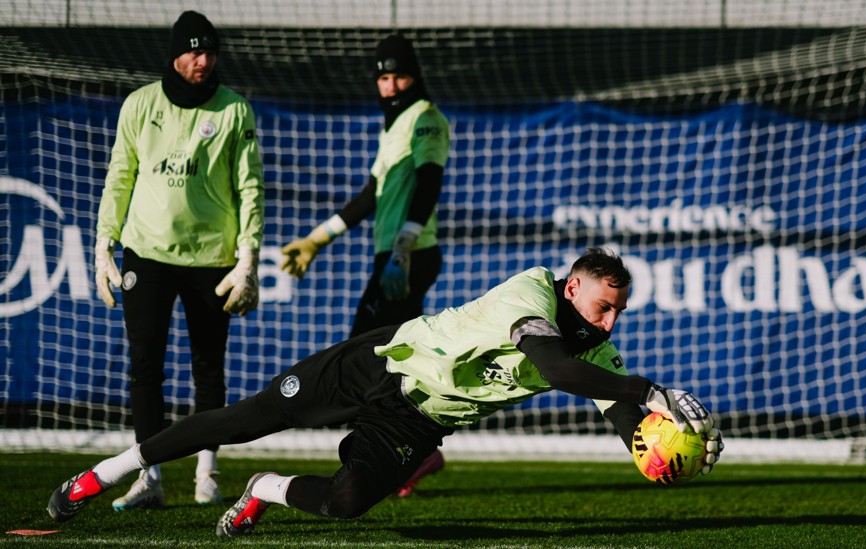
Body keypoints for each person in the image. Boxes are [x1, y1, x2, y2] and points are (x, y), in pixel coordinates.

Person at [49, 248, 723, 537]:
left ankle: (263, 488)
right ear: (575, 286)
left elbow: (617, 408)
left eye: (618, 313)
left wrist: (652, 444)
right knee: (243, 416)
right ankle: (98, 474)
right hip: (380, 362)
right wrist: (652, 387)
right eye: (604, 306)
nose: (610, 322)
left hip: (417, 419)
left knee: (345, 503)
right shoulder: (535, 292)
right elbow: (555, 368)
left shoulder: (598, 350)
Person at [92, 11, 264, 510]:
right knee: (146, 367)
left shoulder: (235, 110)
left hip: (213, 258)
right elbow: (119, 176)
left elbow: (249, 185)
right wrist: (104, 243)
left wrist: (248, 255)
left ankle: (206, 472)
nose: (202, 61)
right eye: (193, 51)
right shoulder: (139, 105)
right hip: (145, 254)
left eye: (210, 51)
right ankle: (148, 477)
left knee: (208, 368)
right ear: (174, 54)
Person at [279, 32, 450, 495]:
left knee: (368, 359)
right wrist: (317, 239)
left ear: (414, 76)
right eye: (384, 78)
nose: (391, 86)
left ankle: (404, 455)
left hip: (409, 256)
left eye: (399, 76)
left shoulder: (426, 118)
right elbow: (370, 196)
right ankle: (409, 454)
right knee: (385, 362)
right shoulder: (394, 127)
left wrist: (404, 249)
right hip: (393, 256)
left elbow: (429, 184)